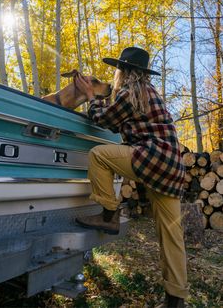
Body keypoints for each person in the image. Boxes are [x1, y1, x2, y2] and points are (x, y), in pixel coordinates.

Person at [75, 47, 188, 308]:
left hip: (152, 157)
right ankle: (176, 300)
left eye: (118, 69)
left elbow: (104, 119)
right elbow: (118, 115)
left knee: (99, 155)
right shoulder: (147, 92)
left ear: (123, 70)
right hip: (172, 166)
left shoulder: (128, 92)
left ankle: (109, 215)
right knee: (172, 235)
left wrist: (90, 95)